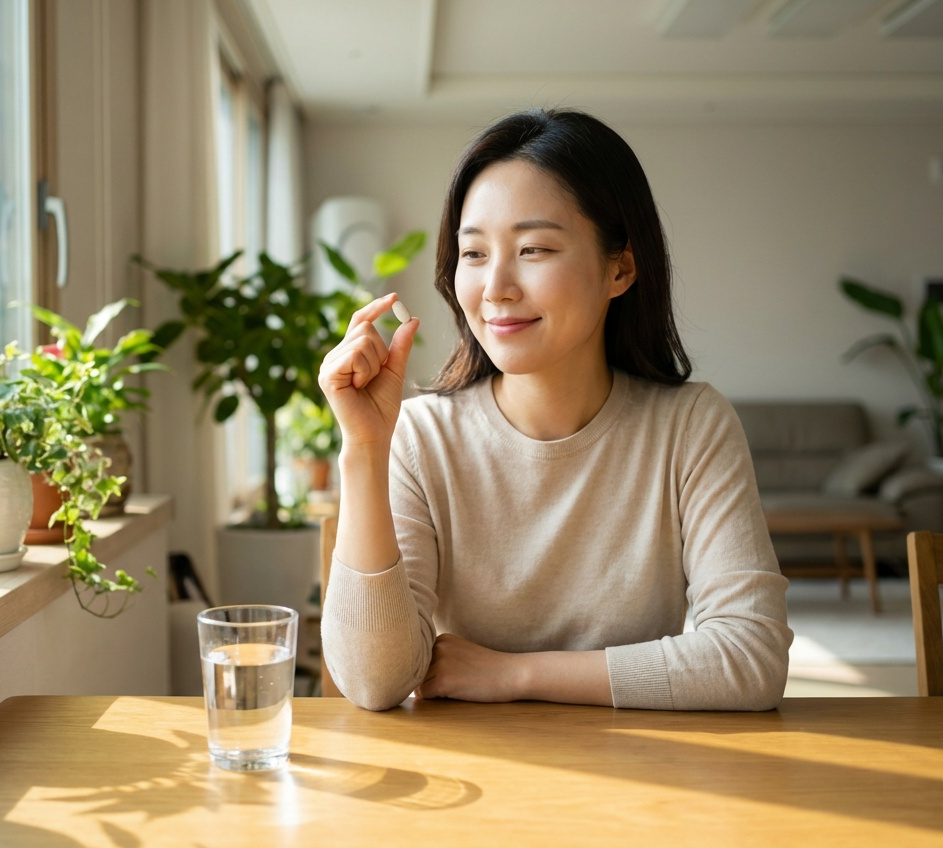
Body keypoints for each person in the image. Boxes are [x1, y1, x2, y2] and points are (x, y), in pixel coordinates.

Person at [317, 108, 792, 712]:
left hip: (647, 778)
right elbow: (374, 682)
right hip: (474, 783)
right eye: (474, 254)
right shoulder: (421, 434)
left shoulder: (690, 425)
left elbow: (750, 659)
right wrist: (362, 450)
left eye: (534, 248)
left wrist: (514, 675)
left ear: (620, 266)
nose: (495, 289)